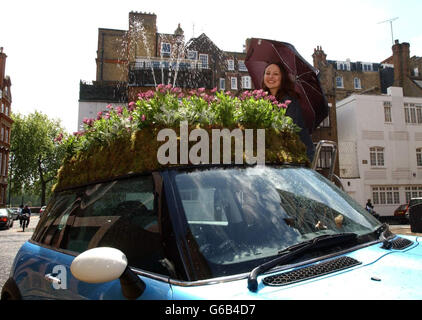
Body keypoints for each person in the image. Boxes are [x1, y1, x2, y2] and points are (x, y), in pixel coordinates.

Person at [262, 63, 315, 162]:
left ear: (283, 78)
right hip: (281, 151)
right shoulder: (264, 100)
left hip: (300, 153)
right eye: (267, 73)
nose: (270, 77)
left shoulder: (289, 100)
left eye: (276, 74)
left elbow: (288, 129)